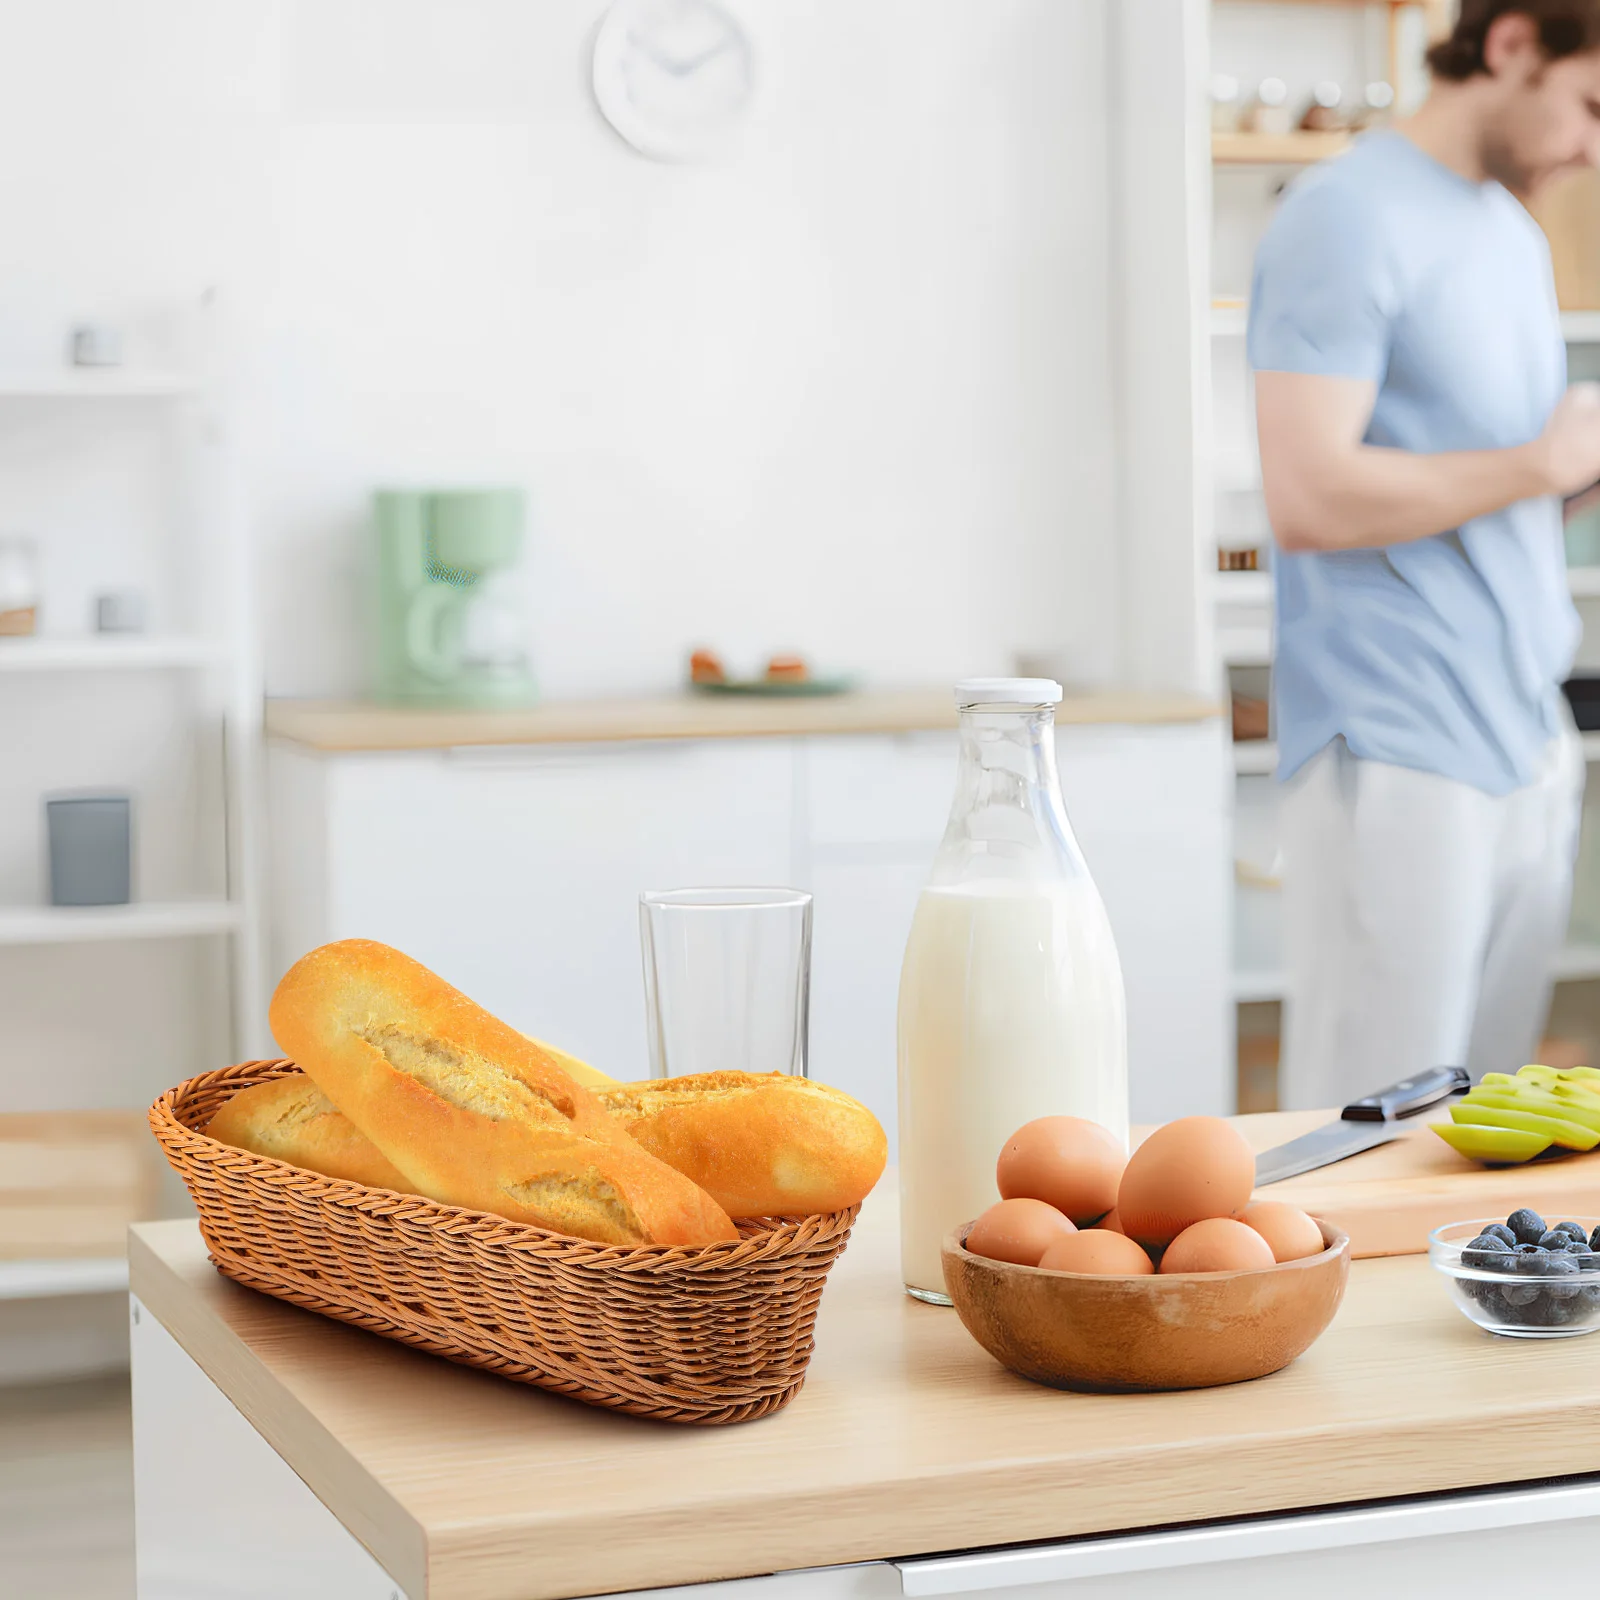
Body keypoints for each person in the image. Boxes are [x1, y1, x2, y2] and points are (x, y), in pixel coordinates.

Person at [1249, 1, 1600, 1110]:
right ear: (1511, 45)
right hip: (1397, 734)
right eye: (1590, 105)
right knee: (1372, 1124)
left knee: (1484, 1123)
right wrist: (1537, 464)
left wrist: (1569, 475)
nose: (1594, 149)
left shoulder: (1510, 232)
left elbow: (1497, 492)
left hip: (1526, 731)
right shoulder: (1343, 215)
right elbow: (1309, 493)